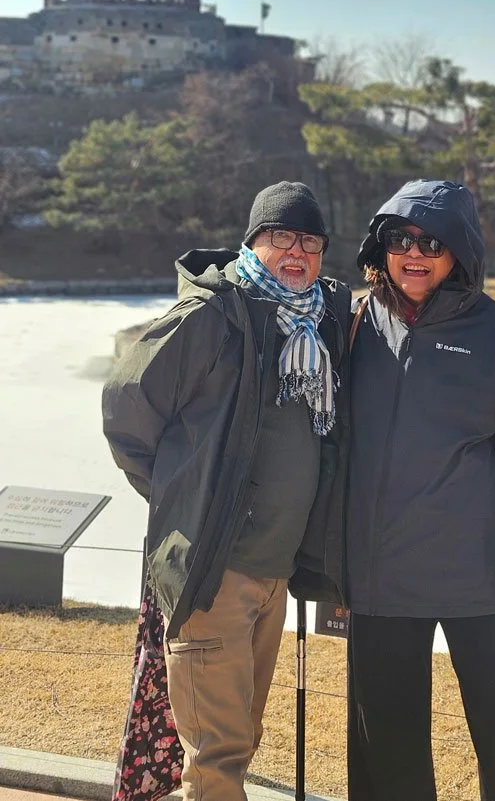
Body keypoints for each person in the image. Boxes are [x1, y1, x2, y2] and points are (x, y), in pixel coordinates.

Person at [103, 181, 350, 801]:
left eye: (312, 241)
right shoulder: (212, 319)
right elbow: (127, 411)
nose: (298, 252)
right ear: (253, 241)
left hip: (273, 573)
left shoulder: (317, 325)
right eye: (282, 237)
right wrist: (182, 502)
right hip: (215, 571)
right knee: (217, 757)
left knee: (237, 740)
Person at [346, 179, 495, 801]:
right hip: (379, 579)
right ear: (380, 245)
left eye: (433, 242)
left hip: (484, 581)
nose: (414, 253)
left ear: (461, 251)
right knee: (384, 747)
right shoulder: (355, 322)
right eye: (400, 239)